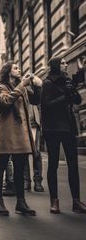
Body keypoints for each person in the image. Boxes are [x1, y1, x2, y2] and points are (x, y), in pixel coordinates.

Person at [0, 61, 41, 216]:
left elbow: (36, 101)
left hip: (20, 134)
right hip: (6, 134)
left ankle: (21, 203)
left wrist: (37, 85)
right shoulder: (0, 87)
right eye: (15, 68)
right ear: (8, 72)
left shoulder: (23, 88)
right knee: (1, 166)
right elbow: (6, 101)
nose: (19, 69)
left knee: (20, 168)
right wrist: (22, 85)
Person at [41, 56, 86, 214]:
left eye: (66, 62)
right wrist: (64, 97)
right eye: (63, 63)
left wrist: (73, 89)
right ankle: (54, 201)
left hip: (68, 128)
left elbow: (78, 100)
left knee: (73, 164)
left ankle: (76, 201)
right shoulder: (47, 83)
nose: (66, 64)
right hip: (52, 129)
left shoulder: (67, 80)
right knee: (53, 164)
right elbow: (46, 106)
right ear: (55, 66)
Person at [23, 103, 44, 192]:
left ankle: (38, 181)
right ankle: (26, 181)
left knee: (37, 153)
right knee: (24, 154)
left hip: (35, 123)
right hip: (23, 124)